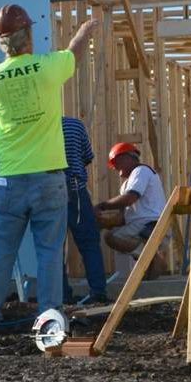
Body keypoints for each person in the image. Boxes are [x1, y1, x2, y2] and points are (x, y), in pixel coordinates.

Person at [0, 4, 97, 338]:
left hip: (10, 179)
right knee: (49, 253)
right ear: (28, 36)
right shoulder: (47, 67)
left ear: (1, 42)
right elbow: (74, 53)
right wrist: (84, 30)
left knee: (1, 252)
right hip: (48, 178)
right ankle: (49, 318)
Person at [96, 143, 169, 279]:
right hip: (140, 228)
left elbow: (130, 198)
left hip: (150, 225)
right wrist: (104, 222)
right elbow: (122, 218)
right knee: (147, 278)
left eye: (116, 162)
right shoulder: (127, 184)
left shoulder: (141, 171)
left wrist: (102, 206)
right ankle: (152, 256)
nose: (115, 167)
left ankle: (151, 255)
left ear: (127, 157)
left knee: (111, 237)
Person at [61, 115, 109, 306]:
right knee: (89, 242)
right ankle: (98, 292)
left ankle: (62, 296)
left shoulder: (42, 126)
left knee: (54, 248)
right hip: (75, 189)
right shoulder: (75, 125)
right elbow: (87, 157)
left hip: (49, 191)